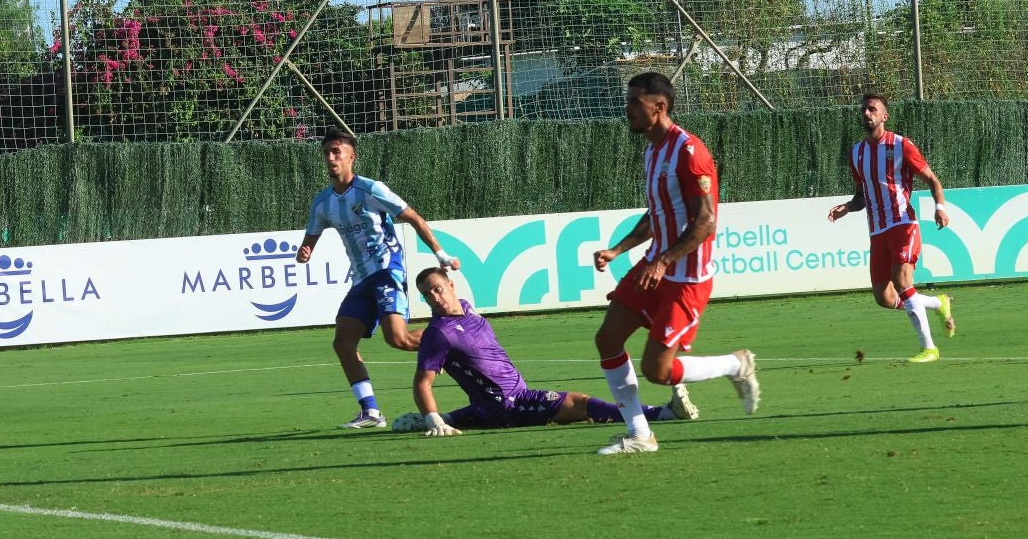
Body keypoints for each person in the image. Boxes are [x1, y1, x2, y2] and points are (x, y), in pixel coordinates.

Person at [590, 72, 760, 456]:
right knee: (607, 338)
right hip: (656, 264)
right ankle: (640, 435)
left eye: (635, 102)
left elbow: (706, 220)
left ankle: (736, 365)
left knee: (658, 371)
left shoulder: (689, 151)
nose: (627, 109)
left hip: (686, 276)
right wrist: (618, 250)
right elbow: (656, 215)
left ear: (659, 106)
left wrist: (665, 261)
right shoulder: (652, 151)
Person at [396, 267, 693, 436]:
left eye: (437, 288)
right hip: (511, 403)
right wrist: (433, 420)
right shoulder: (439, 333)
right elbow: (422, 381)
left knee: (475, 414)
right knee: (580, 402)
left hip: (497, 403)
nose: (434, 297)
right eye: (427, 295)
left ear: (450, 284)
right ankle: (664, 414)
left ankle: (436, 418)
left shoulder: (467, 310)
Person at [296, 129, 459, 430]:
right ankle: (371, 411)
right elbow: (309, 241)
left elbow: (414, 218)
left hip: (386, 272)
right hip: (360, 280)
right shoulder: (322, 203)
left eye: (337, 152)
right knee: (343, 342)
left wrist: (441, 255)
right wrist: (305, 251)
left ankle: (457, 338)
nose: (331, 157)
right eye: (327, 153)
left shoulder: (372, 189)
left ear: (351, 156)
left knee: (397, 339)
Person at [826, 93, 957, 363]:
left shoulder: (901, 145)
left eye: (872, 109)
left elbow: (932, 179)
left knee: (901, 280)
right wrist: (847, 208)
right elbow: (861, 196)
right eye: (863, 109)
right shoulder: (857, 153)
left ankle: (929, 347)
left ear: (884, 116)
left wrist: (940, 207)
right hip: (877, 231)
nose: (866, 113)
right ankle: (936, 302)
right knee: (884, 297)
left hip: (902, 223)